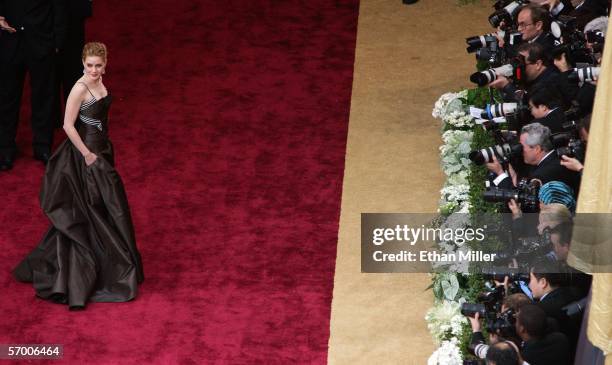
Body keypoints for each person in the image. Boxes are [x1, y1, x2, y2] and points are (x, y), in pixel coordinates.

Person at [12, 42, 144, 310]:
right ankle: (95, 269)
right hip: (87, 155)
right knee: (95, 208)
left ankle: (110, 261)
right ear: (83, 64)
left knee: (106, 208)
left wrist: (101, 146)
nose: (93, 70)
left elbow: (102, 118)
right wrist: (86, 154)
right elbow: (67, 126)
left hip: (102, 150)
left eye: (98, 65)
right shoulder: (79, 88)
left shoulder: (100, 82)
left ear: (105, 64)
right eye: (89, 65)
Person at [0, 0, 67, 170]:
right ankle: (5, 148)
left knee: (43, 95)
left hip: (41, 41)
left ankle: (42, 146)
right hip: (9, 40)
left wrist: (58, 42)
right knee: (7, 97)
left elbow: (59, 5)